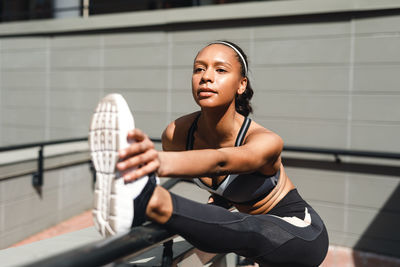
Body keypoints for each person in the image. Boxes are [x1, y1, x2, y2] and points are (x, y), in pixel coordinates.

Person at [89, 40, 329, 266]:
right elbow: (224, 183)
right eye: (198, 69)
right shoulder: (176, 135)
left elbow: (222, 161)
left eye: (221, 70)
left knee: (250, 228)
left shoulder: (265, 141)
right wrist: (222, 200)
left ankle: (148, 199)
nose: (206, 77)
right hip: (249, 239)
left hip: (301, 233)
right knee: (214, 233)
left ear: (241, 84)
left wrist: (153, 161)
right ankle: (137, 199)